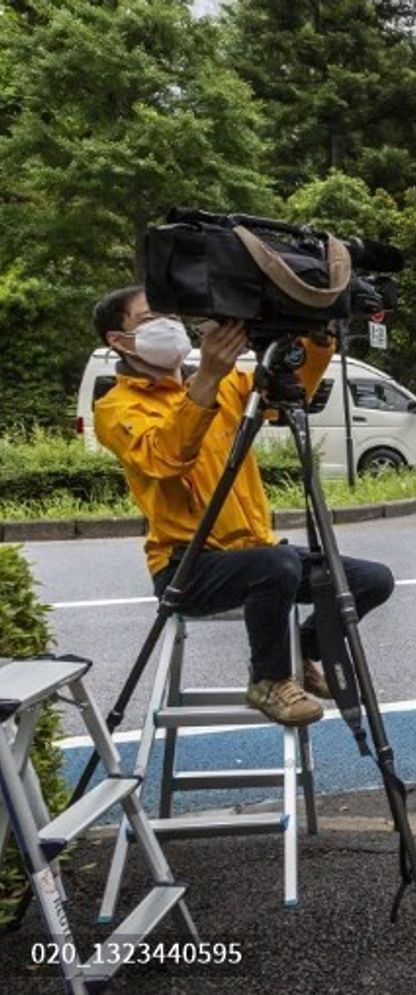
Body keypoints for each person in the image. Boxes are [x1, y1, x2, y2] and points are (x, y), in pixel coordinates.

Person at [91, 285, 396, 726]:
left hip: (257, 552)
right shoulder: (116, 407)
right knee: (276, 565)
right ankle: (269, 680)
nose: (169, 326)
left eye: (172, 316)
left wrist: (319, 336)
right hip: (186, 566)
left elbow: (291, 394)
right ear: (118, 340)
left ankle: (304, 652)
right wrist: (211, 376)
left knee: (370, 580)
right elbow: (166, 458)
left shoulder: (223, 385)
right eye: (149, 320)